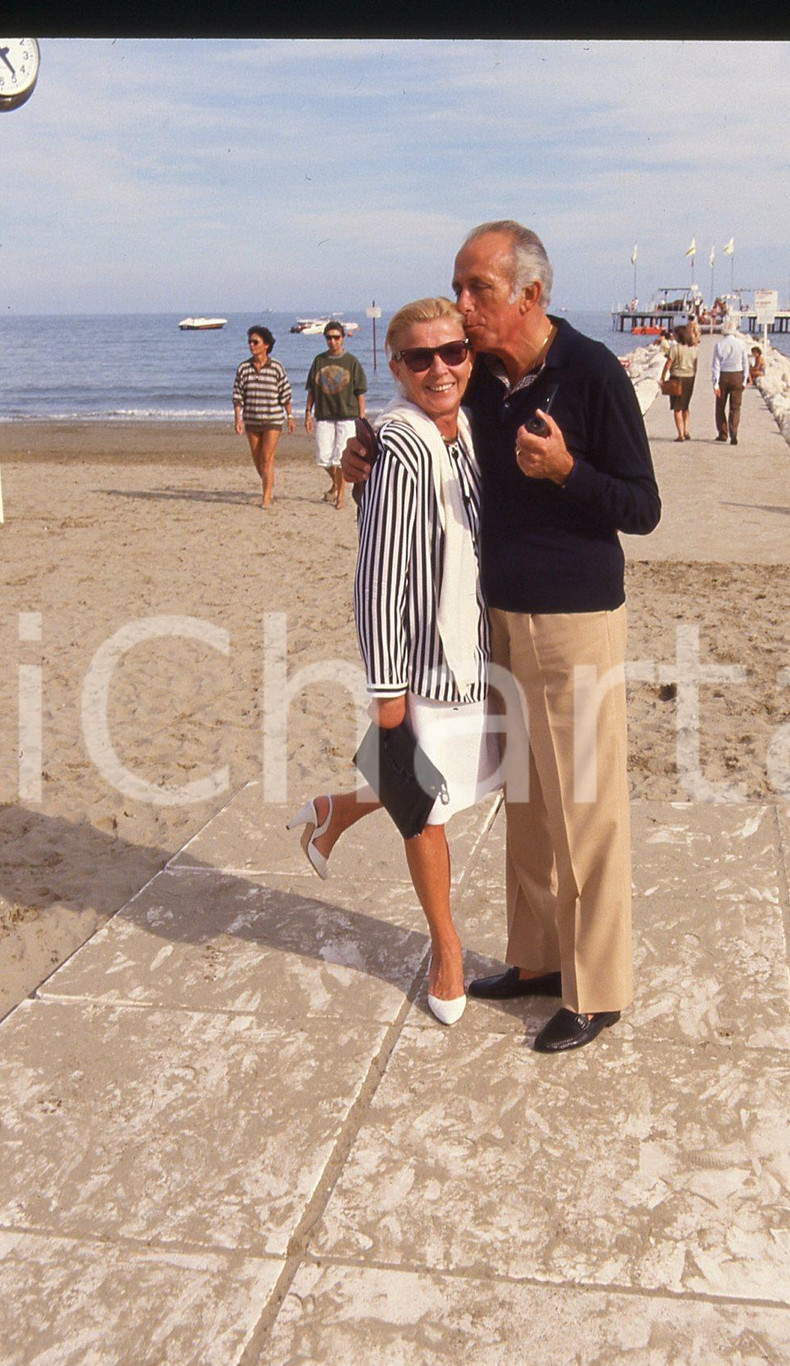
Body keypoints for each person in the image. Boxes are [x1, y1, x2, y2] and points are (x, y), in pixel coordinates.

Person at [343, 221, 661, 1054]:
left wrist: (567, 473)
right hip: (498, 622)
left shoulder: (590, 372)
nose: (462, 305)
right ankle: (536, 960)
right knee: (527, 802)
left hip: (576, 622)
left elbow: (643, 506)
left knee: (585, 806)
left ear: (530, 294)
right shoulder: (483, 379)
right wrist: (364, 448)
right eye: (457, 286)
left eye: (476, 288)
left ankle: (597, 990)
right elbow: (426, 414)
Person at [288, 298, 498, 1026]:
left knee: (444, 785)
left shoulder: (468, 422)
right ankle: (446, 949)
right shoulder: (401, 442)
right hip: (424, 663)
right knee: (426, 808)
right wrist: (386, 697)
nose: (440, 368)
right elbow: (378, 576)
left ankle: (333, 811)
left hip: (476, 651)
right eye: (419, 357)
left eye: (453, 352)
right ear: (394, 363)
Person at [304, 321, 368, 510]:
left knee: (340, 457)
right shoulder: (319, 361)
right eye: (329, 337)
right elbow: (312, 391)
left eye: (336, 337)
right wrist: (307, 413)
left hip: (347, 415)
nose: (332, 341)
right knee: (324, 457)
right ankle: (336, 484)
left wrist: (362, 418)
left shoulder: (351, 362)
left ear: (342, 338)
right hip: (324, 415)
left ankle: (340, 495)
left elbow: (360, 392)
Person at [232, 326, 295, 507]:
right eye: (250, 342)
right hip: (252, 420)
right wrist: (237, 419)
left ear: (266, 345)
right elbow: (237, 396)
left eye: (255, 342)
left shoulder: (276, 367)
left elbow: (285, 394)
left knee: (267, 458)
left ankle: (266, 497)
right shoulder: (244, 368)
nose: (251, 345)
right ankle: (269, 484)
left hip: (273, 420)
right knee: (258, 460)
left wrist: (290, 416)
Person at [711, 318, 750, 445]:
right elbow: (745, 362)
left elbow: (715, 366)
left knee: (720, 406)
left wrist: (715, 384)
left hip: (723, 376)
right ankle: (734, 433)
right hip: (737, 375)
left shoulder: (719, 345)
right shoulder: (741, 344)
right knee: (735, 407)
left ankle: (723, 433)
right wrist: (744, 380)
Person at [659, 321, 699, 441]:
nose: (673, 336)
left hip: (677, 377)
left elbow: (668, 364)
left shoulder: (675, 349)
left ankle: (680, 434)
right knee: (686, 405)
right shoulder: (693, 349)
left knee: (677, 407)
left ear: (679, 335)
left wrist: (663, 377)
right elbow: (695, 365)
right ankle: (687, 430)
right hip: (690, 377)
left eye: (675, 334)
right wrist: (693, 375)